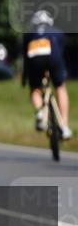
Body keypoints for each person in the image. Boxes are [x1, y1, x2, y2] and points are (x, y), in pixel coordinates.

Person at [23, 10, 71, 139]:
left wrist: (26, 78)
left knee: (35, 89)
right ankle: (64, 126)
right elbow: (60, 53)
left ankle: (40, 111)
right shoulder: (57, 32)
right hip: (53, 58)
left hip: (34, 58)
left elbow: (26, 58)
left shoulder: (29, 34)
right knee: (60, 87)